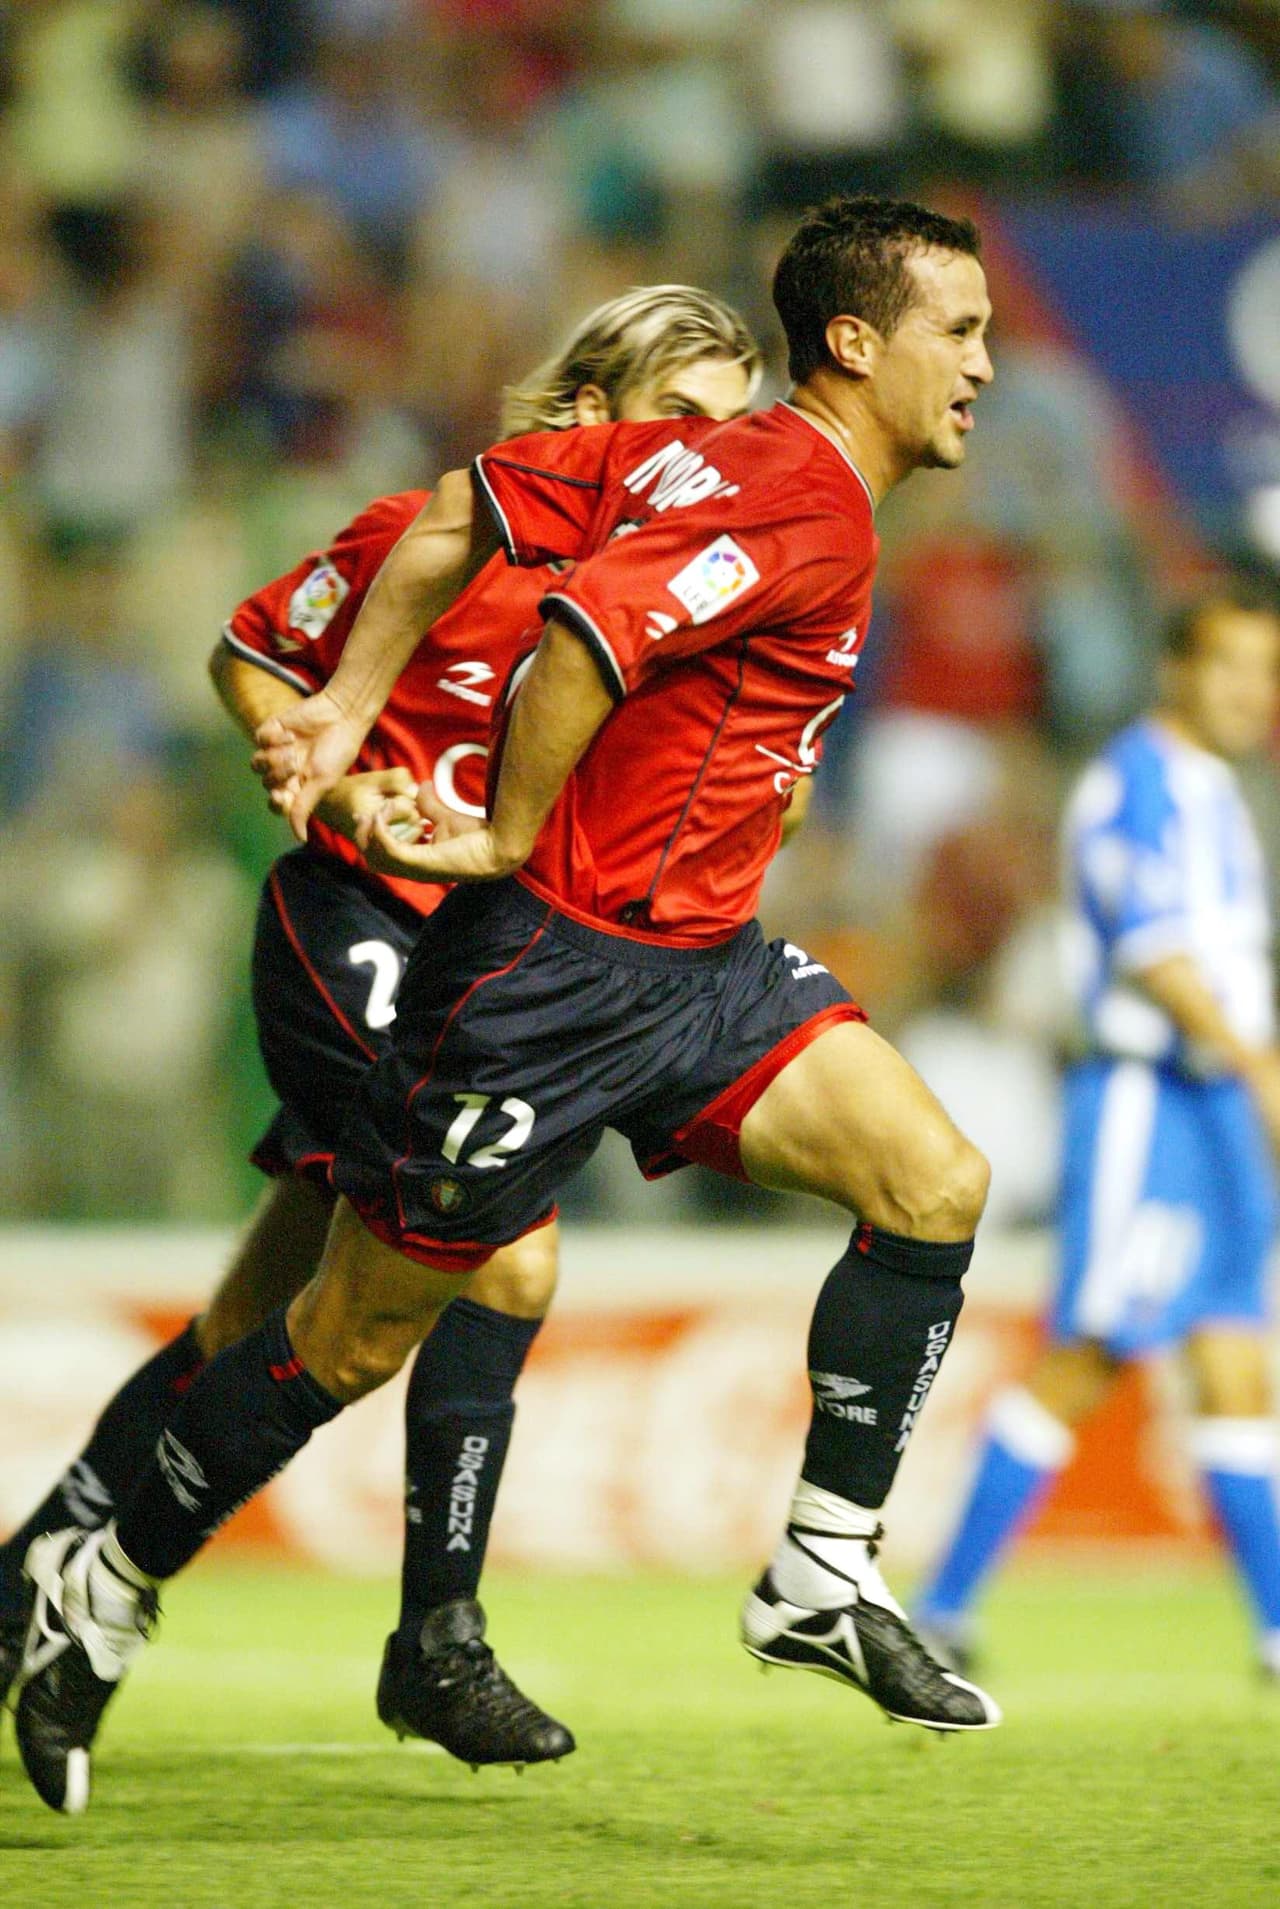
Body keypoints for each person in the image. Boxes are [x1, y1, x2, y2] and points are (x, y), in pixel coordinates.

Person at [15, 196, 1002, 1817]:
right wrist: (495, 831)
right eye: (956, 331)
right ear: (855, 341)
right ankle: (103, 1579)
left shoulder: (691, 458)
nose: (980, 363)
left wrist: (344, 707)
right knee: (342, 1331)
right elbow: (582, 638)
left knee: (933, 1180)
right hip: (549, 980)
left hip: (705, 968)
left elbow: (456, 507)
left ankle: (822, 1567)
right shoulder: (797, 497)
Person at [0, 284, 762, 1787]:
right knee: (509, 1252)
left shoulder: (691, 606)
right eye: (682, 420)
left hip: (490, 976)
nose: (708, 457)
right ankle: (437, 1638)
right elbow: (251, 654)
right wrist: (332, 774)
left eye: (731, 434)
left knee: (253, 1323)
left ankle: (31, 1577)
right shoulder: (439, 536)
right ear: (591, 412)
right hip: (354, 923)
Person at [914, 586, 1280, 1676]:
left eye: (1264, 672)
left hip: (1213, 1105)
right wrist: (1256, 1061)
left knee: (1233, 1361)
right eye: (1229, 666)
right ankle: (940, 1605)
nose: (1251, 692)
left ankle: (1275, 1626)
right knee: (1093, 1348)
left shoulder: (1215, 791)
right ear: (1174, 668)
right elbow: (1152, 949)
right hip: (1147, 1096)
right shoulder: (1137, 781)